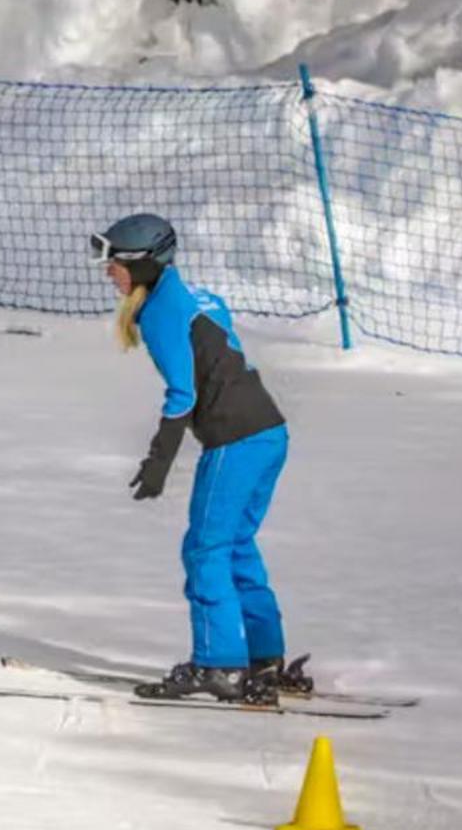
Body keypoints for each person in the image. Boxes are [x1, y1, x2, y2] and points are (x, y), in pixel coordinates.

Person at [92, 214, 309, 704]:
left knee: (205, 549)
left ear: (143, 263)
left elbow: (182, 394)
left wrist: (158, 460)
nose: (107, 272)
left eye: (114, 262)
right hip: (268, 432)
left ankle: (219, 665)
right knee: (235, 545)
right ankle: (263, 658)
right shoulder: (197, 297)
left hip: (236, 439)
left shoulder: (159, 313)